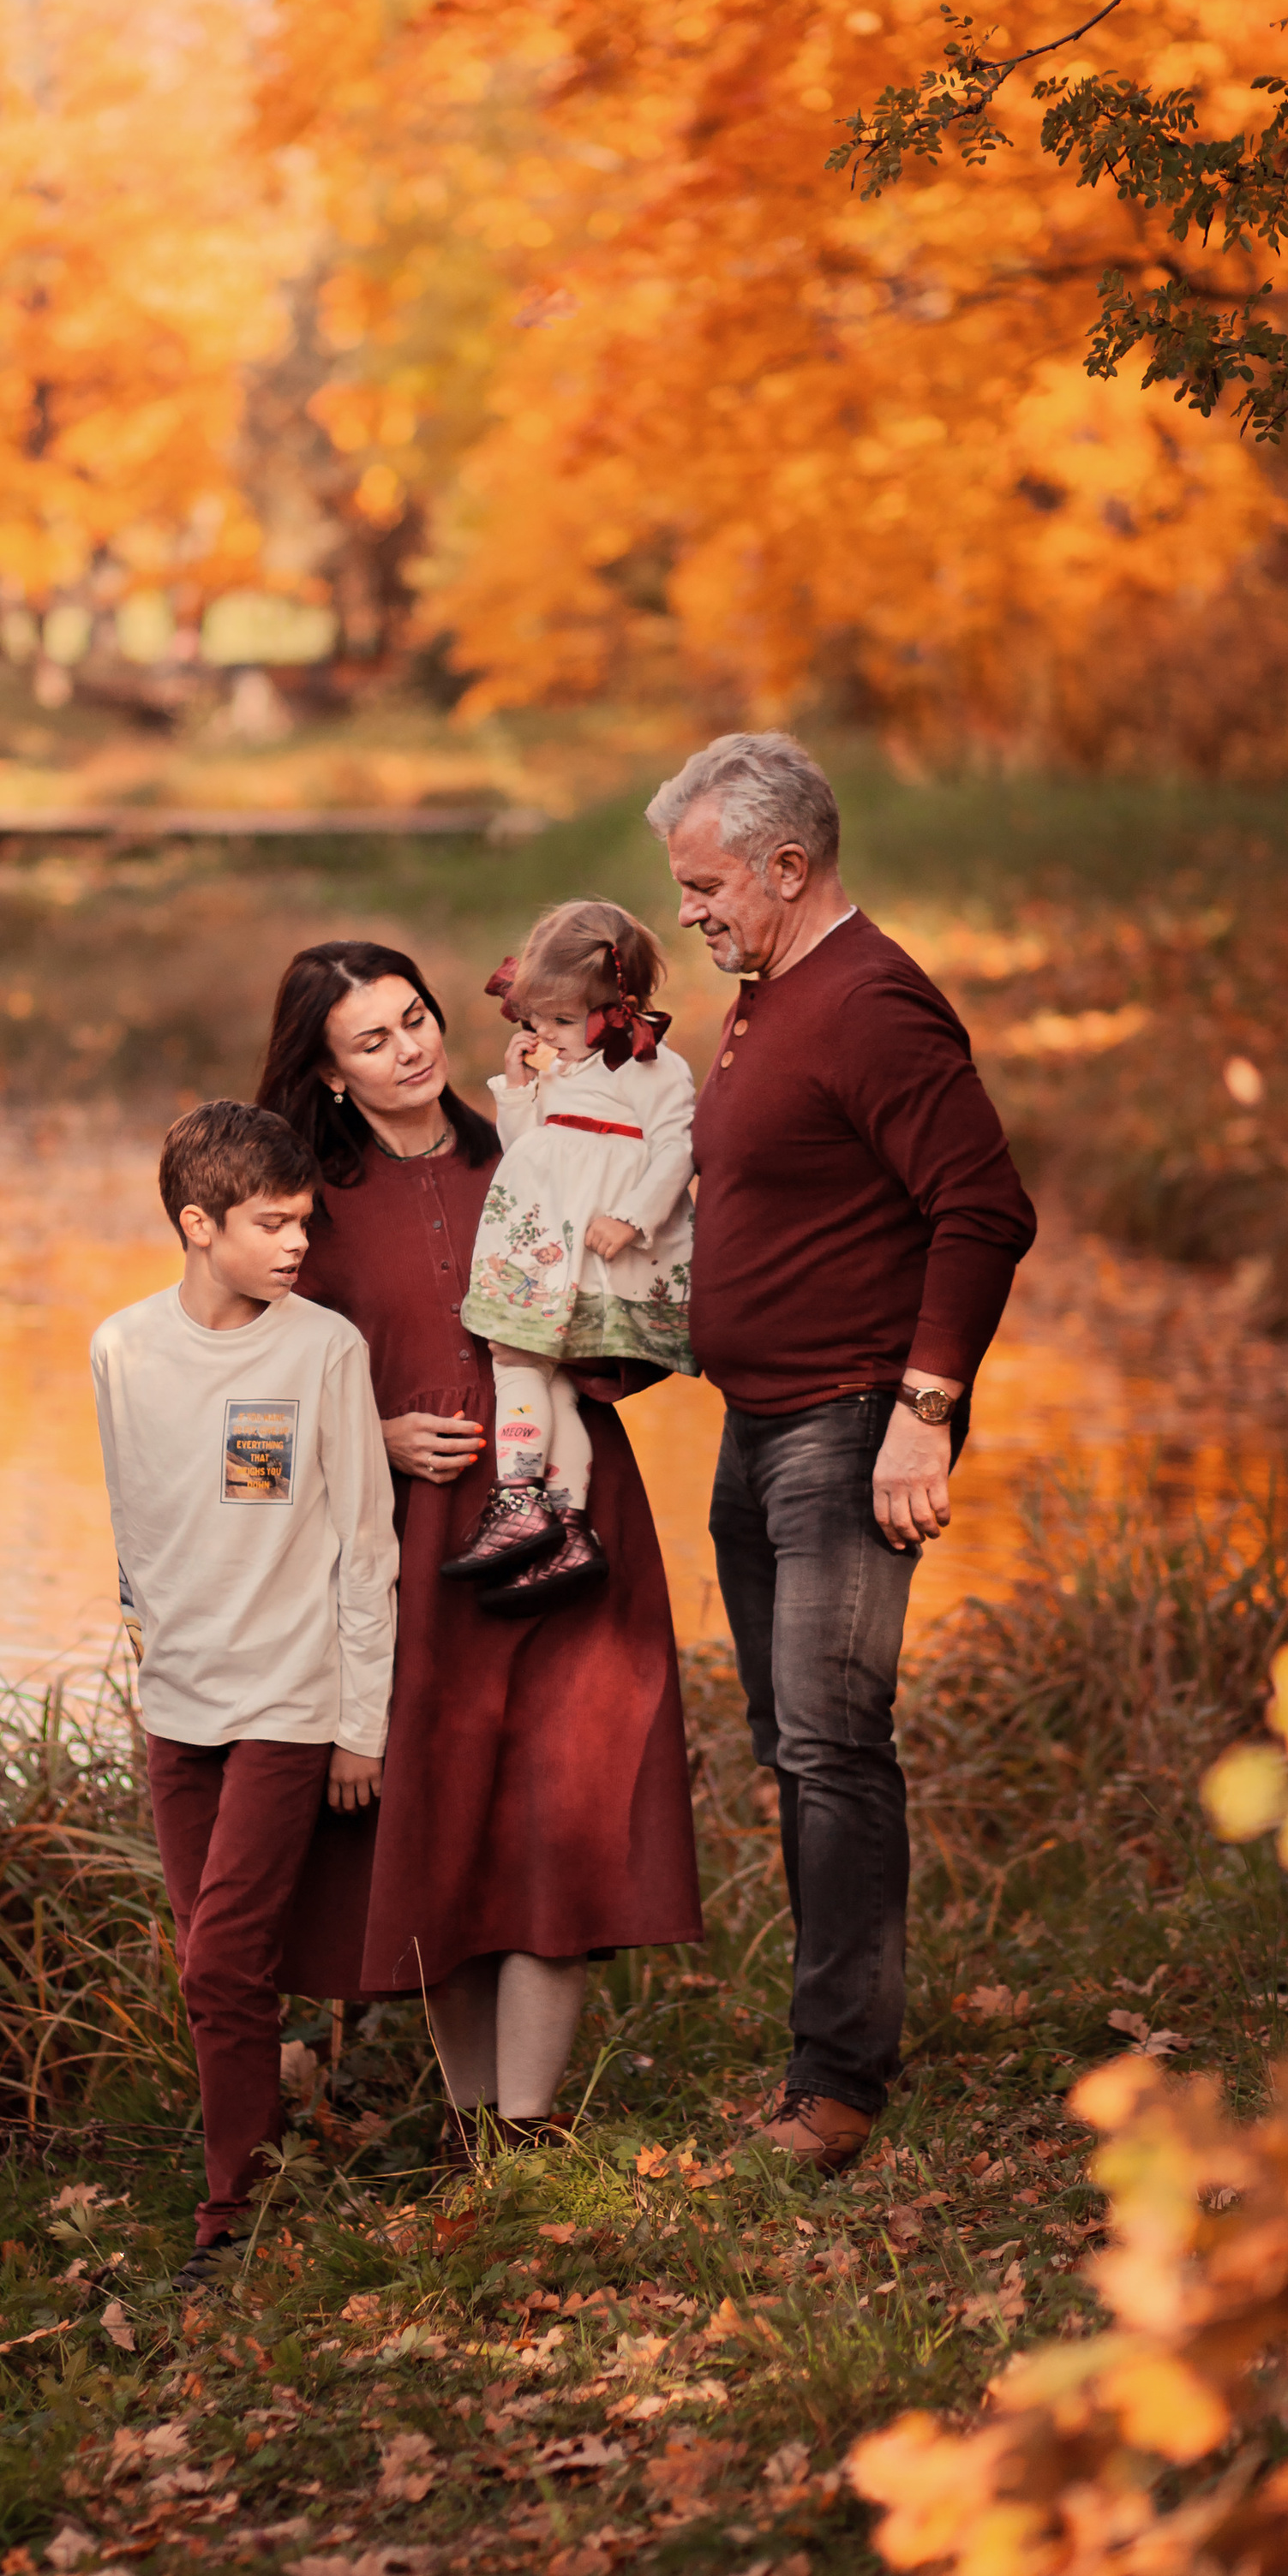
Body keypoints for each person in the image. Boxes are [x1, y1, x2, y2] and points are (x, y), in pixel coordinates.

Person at [646, 732, 1037, 2175]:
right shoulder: (768, 999)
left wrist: (925, 1410)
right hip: (762, 1423)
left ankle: (837, 2090)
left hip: (854, 1423)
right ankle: (839, 2044)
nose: (687, 909)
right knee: (792, 1744)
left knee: (833, 1747)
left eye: (703, 885)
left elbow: (983, 1209)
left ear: (786, 867)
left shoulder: (873, 1003)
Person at [255, 944, 700, 2143]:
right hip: (411, 1548)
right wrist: (369, 1436)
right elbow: (243, 1406)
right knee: (444, 1816)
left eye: (416, 1019)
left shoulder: (532, 1141)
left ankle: (529, 2125)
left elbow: (634, 1326)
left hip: (572, 1520)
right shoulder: (306, 1210)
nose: (410, 1050)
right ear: (331, 1073)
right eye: (373, 1041)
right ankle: (469, 2125)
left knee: (564, 1797)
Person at [90, 1098, 398, 2286]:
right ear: (196, 1223)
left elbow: (365, 1550)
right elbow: (134, 1518)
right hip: (179, 1705)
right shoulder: (122, 1348)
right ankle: (266, 2164)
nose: (297, 1245)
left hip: (288, 1701)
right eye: (271, 1224)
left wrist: (357, 1725)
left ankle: (234, 2216)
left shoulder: (322, 1350)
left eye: (304, 1222)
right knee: (212, 1962)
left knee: (223, 1965)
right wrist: (146, 1637)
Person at [447, 897, 696, 1616]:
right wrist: (522, 1089)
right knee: (543, 1379)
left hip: (594, 1253)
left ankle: (518, 1495)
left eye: (560, 1019)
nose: (543, 1034)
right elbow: (525, 1150)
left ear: (619, 1007)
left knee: (518, 1362)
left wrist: (632, 1217)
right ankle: (566, 1522)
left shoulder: (655, 1071)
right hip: (545, 1246)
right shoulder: (558, 1068)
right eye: (536, 1018)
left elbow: (677, 1150)